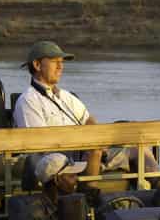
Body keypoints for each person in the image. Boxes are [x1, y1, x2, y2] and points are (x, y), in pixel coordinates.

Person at [12, 40, 102, 178]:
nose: (61, 67)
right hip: (54, 161)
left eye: (62, 62)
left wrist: (97, 139)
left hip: (83, 152)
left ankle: (145, 192)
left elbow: (89, 120)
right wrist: (87, 144)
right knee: (95, 151)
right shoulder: (28, 100)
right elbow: (39, 144)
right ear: (37, 65)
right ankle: (90, 194)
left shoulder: (67, 96)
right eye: (55, 61)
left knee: (136, 150)